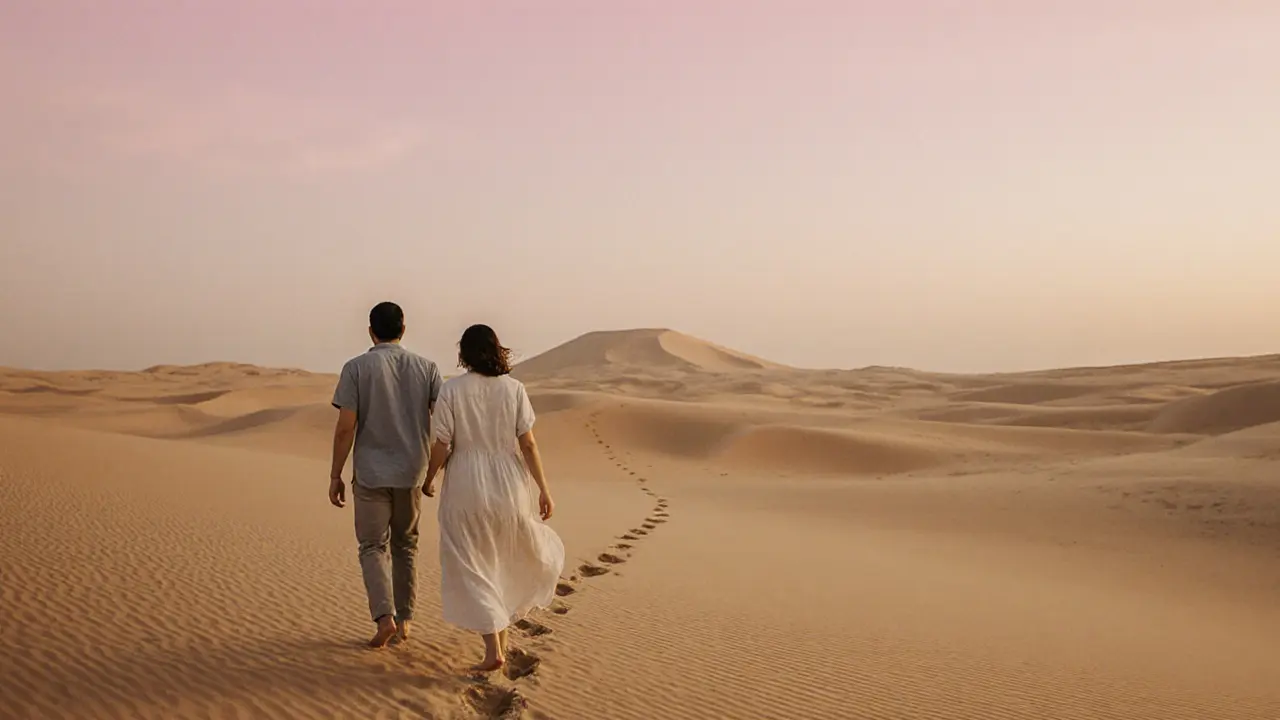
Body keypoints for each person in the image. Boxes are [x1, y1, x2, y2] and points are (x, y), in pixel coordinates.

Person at [422, 324, 564, 672]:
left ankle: (493, 651)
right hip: (509, 484)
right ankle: (500, 642)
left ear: (464, 353)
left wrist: (428, 478)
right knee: (500, 557)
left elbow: (442, 443)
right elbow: (528, 444)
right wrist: (544, 488)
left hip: (467, 483)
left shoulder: (452, 389)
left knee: (472, 563)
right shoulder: (514, 389)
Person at [329, 301, 444, 648]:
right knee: (406, 546)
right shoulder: (428, 369)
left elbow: (345, 428)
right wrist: (433, 472)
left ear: (370, 331)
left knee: (371, 547)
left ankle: (385, 618)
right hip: (411, 473)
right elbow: (443, 426)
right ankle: (405, 621)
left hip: (370, 474)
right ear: (403, 330)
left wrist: (335, 473)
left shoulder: (356, 368)